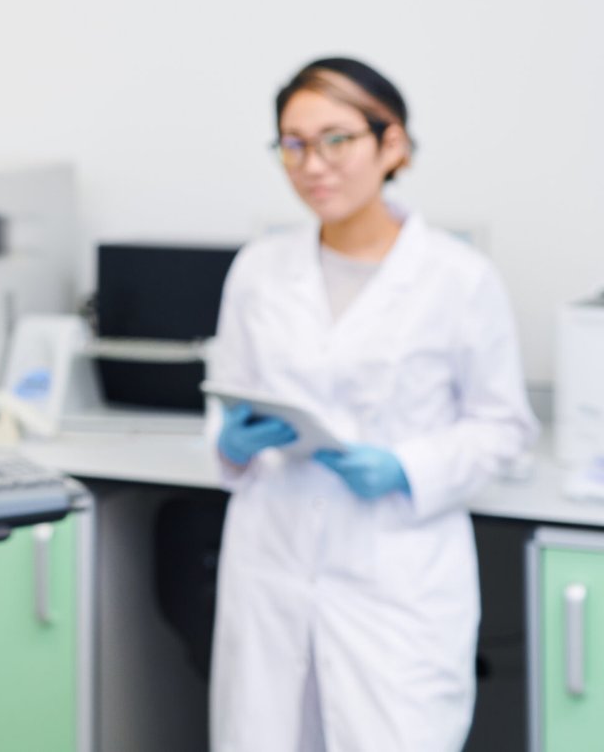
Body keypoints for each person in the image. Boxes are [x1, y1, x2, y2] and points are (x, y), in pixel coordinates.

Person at [204, 57, 537, 751]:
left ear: (393, 146)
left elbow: (504, 425)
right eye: (292, 144)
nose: (312, 164)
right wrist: (232, 441)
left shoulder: (457, 277)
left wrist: (407, 465)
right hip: (272, 564)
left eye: (335, 139)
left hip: (395, 578)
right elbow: (226, 399)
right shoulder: (258, 270)